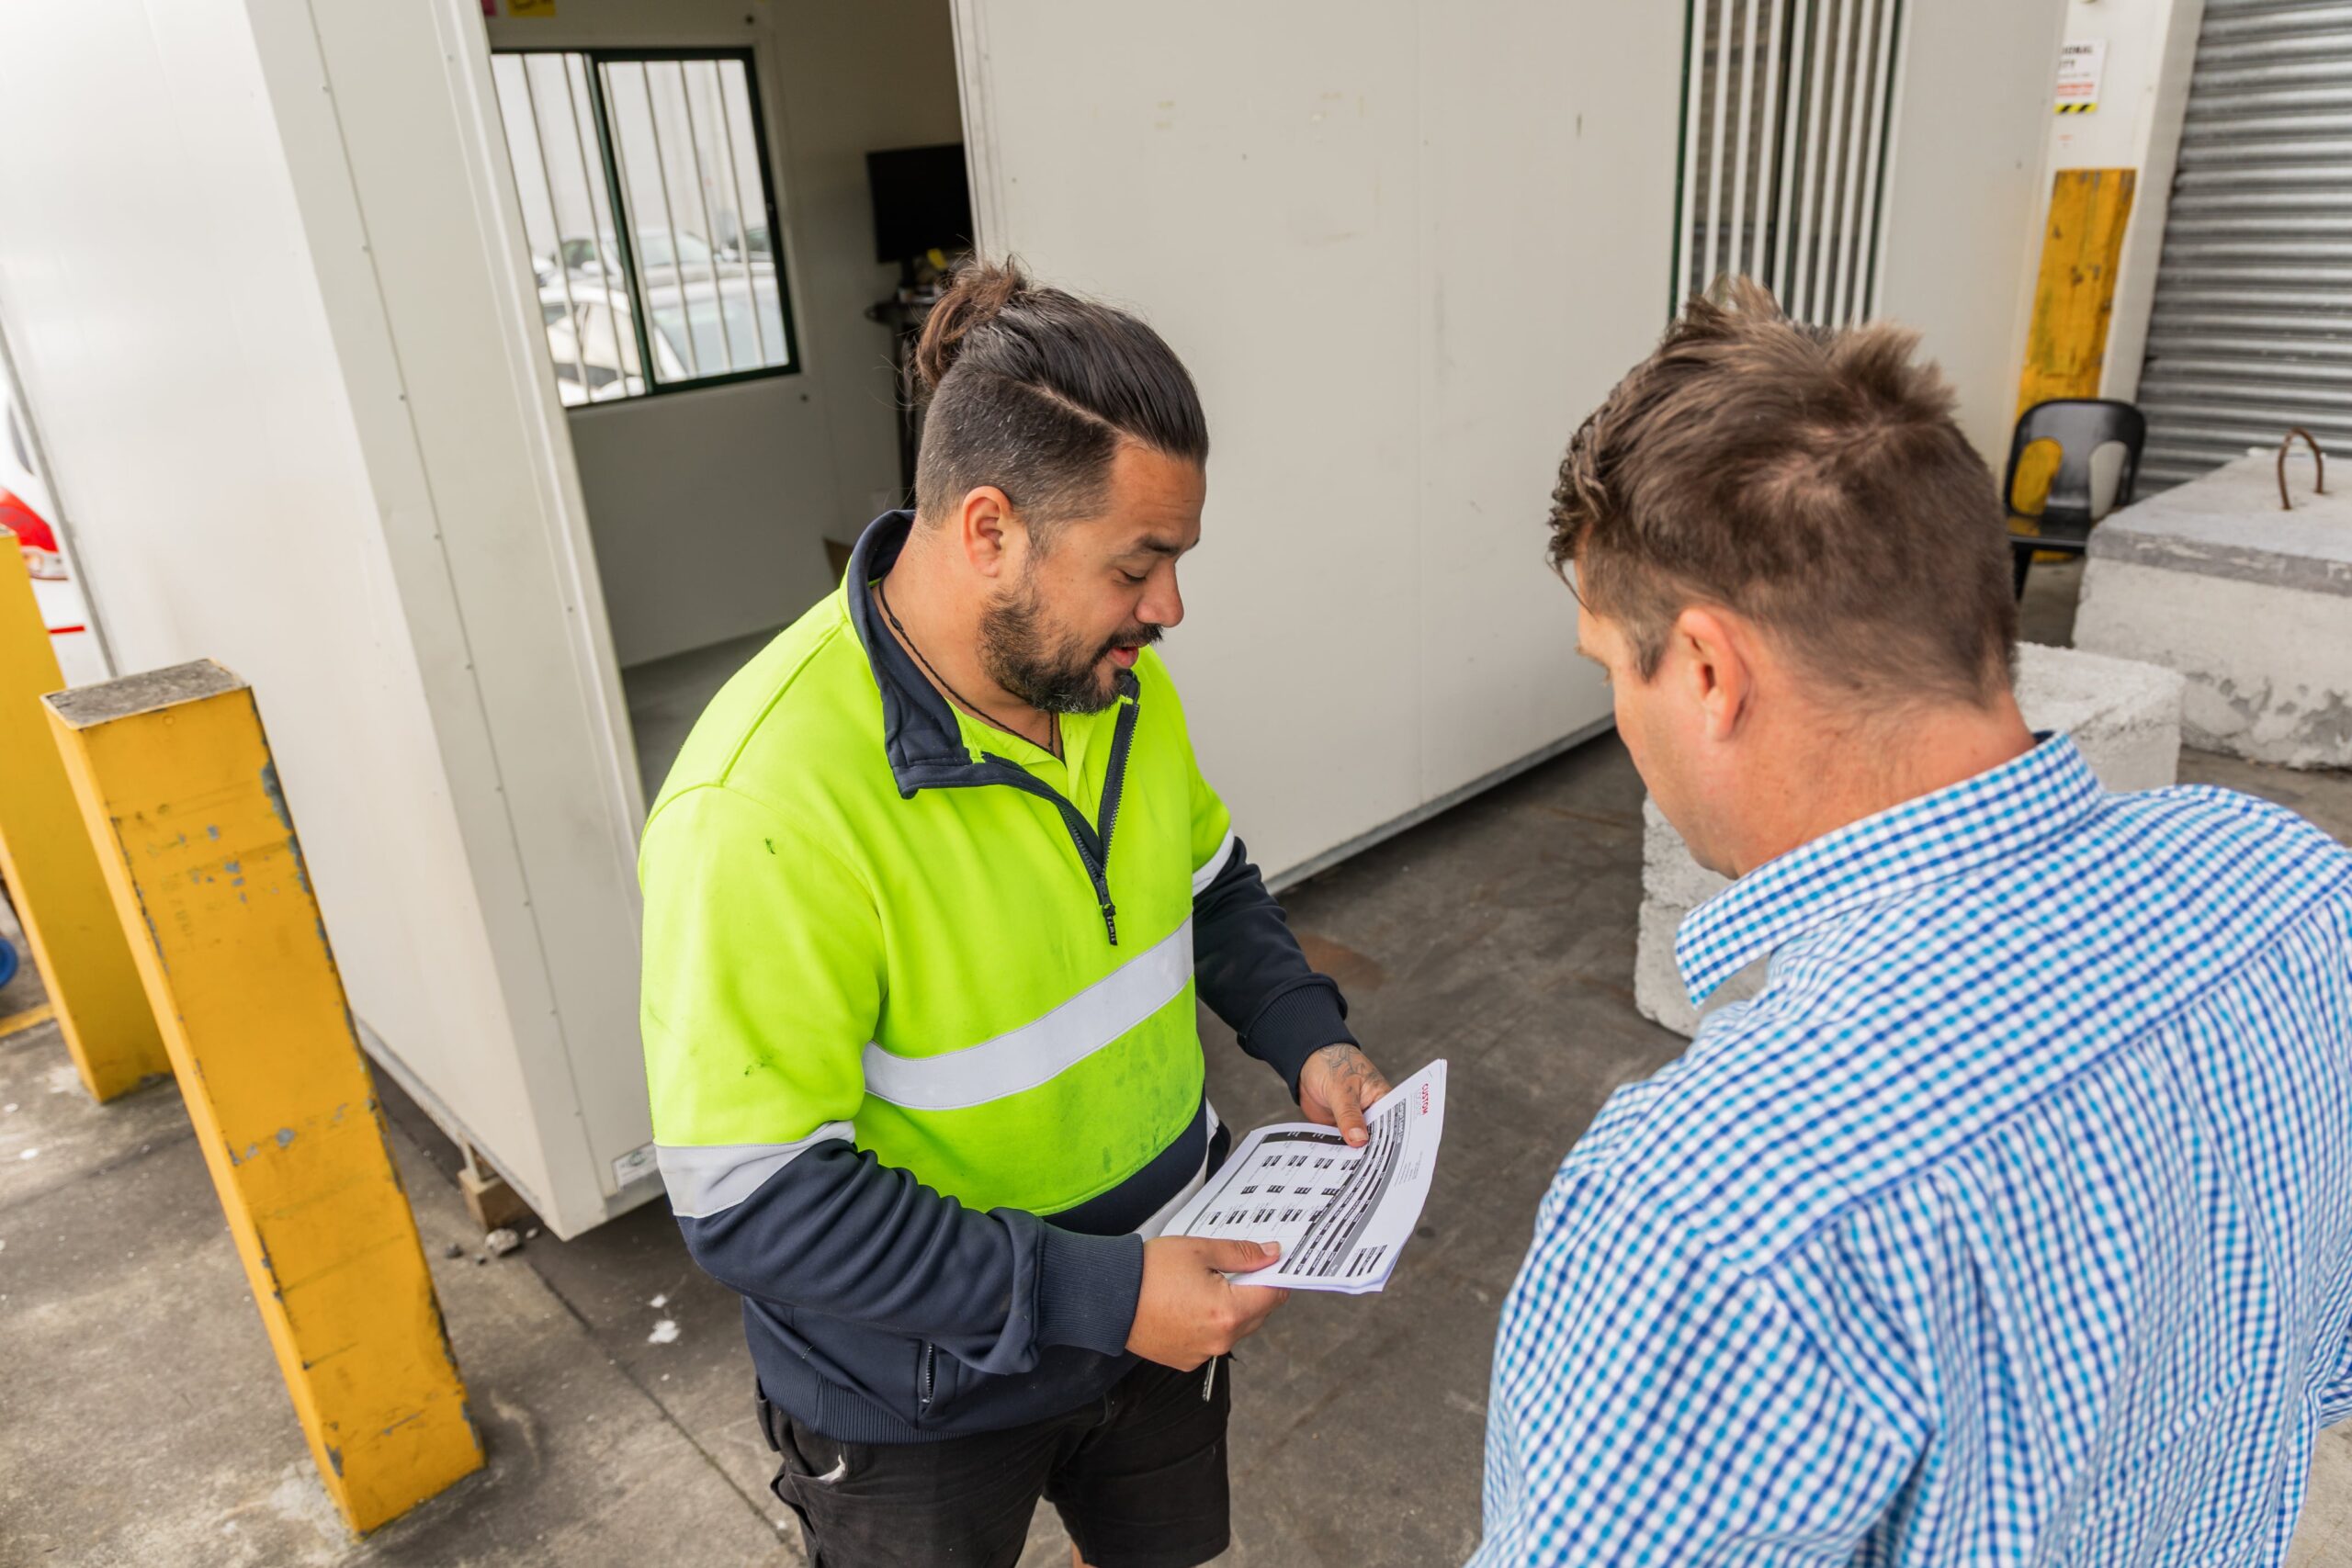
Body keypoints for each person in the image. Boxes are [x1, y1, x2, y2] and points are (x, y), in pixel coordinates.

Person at [1475, 280, 2352, 1564]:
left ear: (1709, 673)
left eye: (1613, 665)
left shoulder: (1710, 1203)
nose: (1622, 720)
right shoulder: (2291, 887)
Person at [638, 258, 1390, 1568]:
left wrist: (1307, 1035)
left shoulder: (1118, 691)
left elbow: (1209, 887)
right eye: (1138, 565)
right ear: (988, 530)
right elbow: (753, 1200)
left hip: (1161, 1317)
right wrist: (1100, 1296)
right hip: (918, 1405)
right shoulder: (762, 801)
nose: (1169, 609)